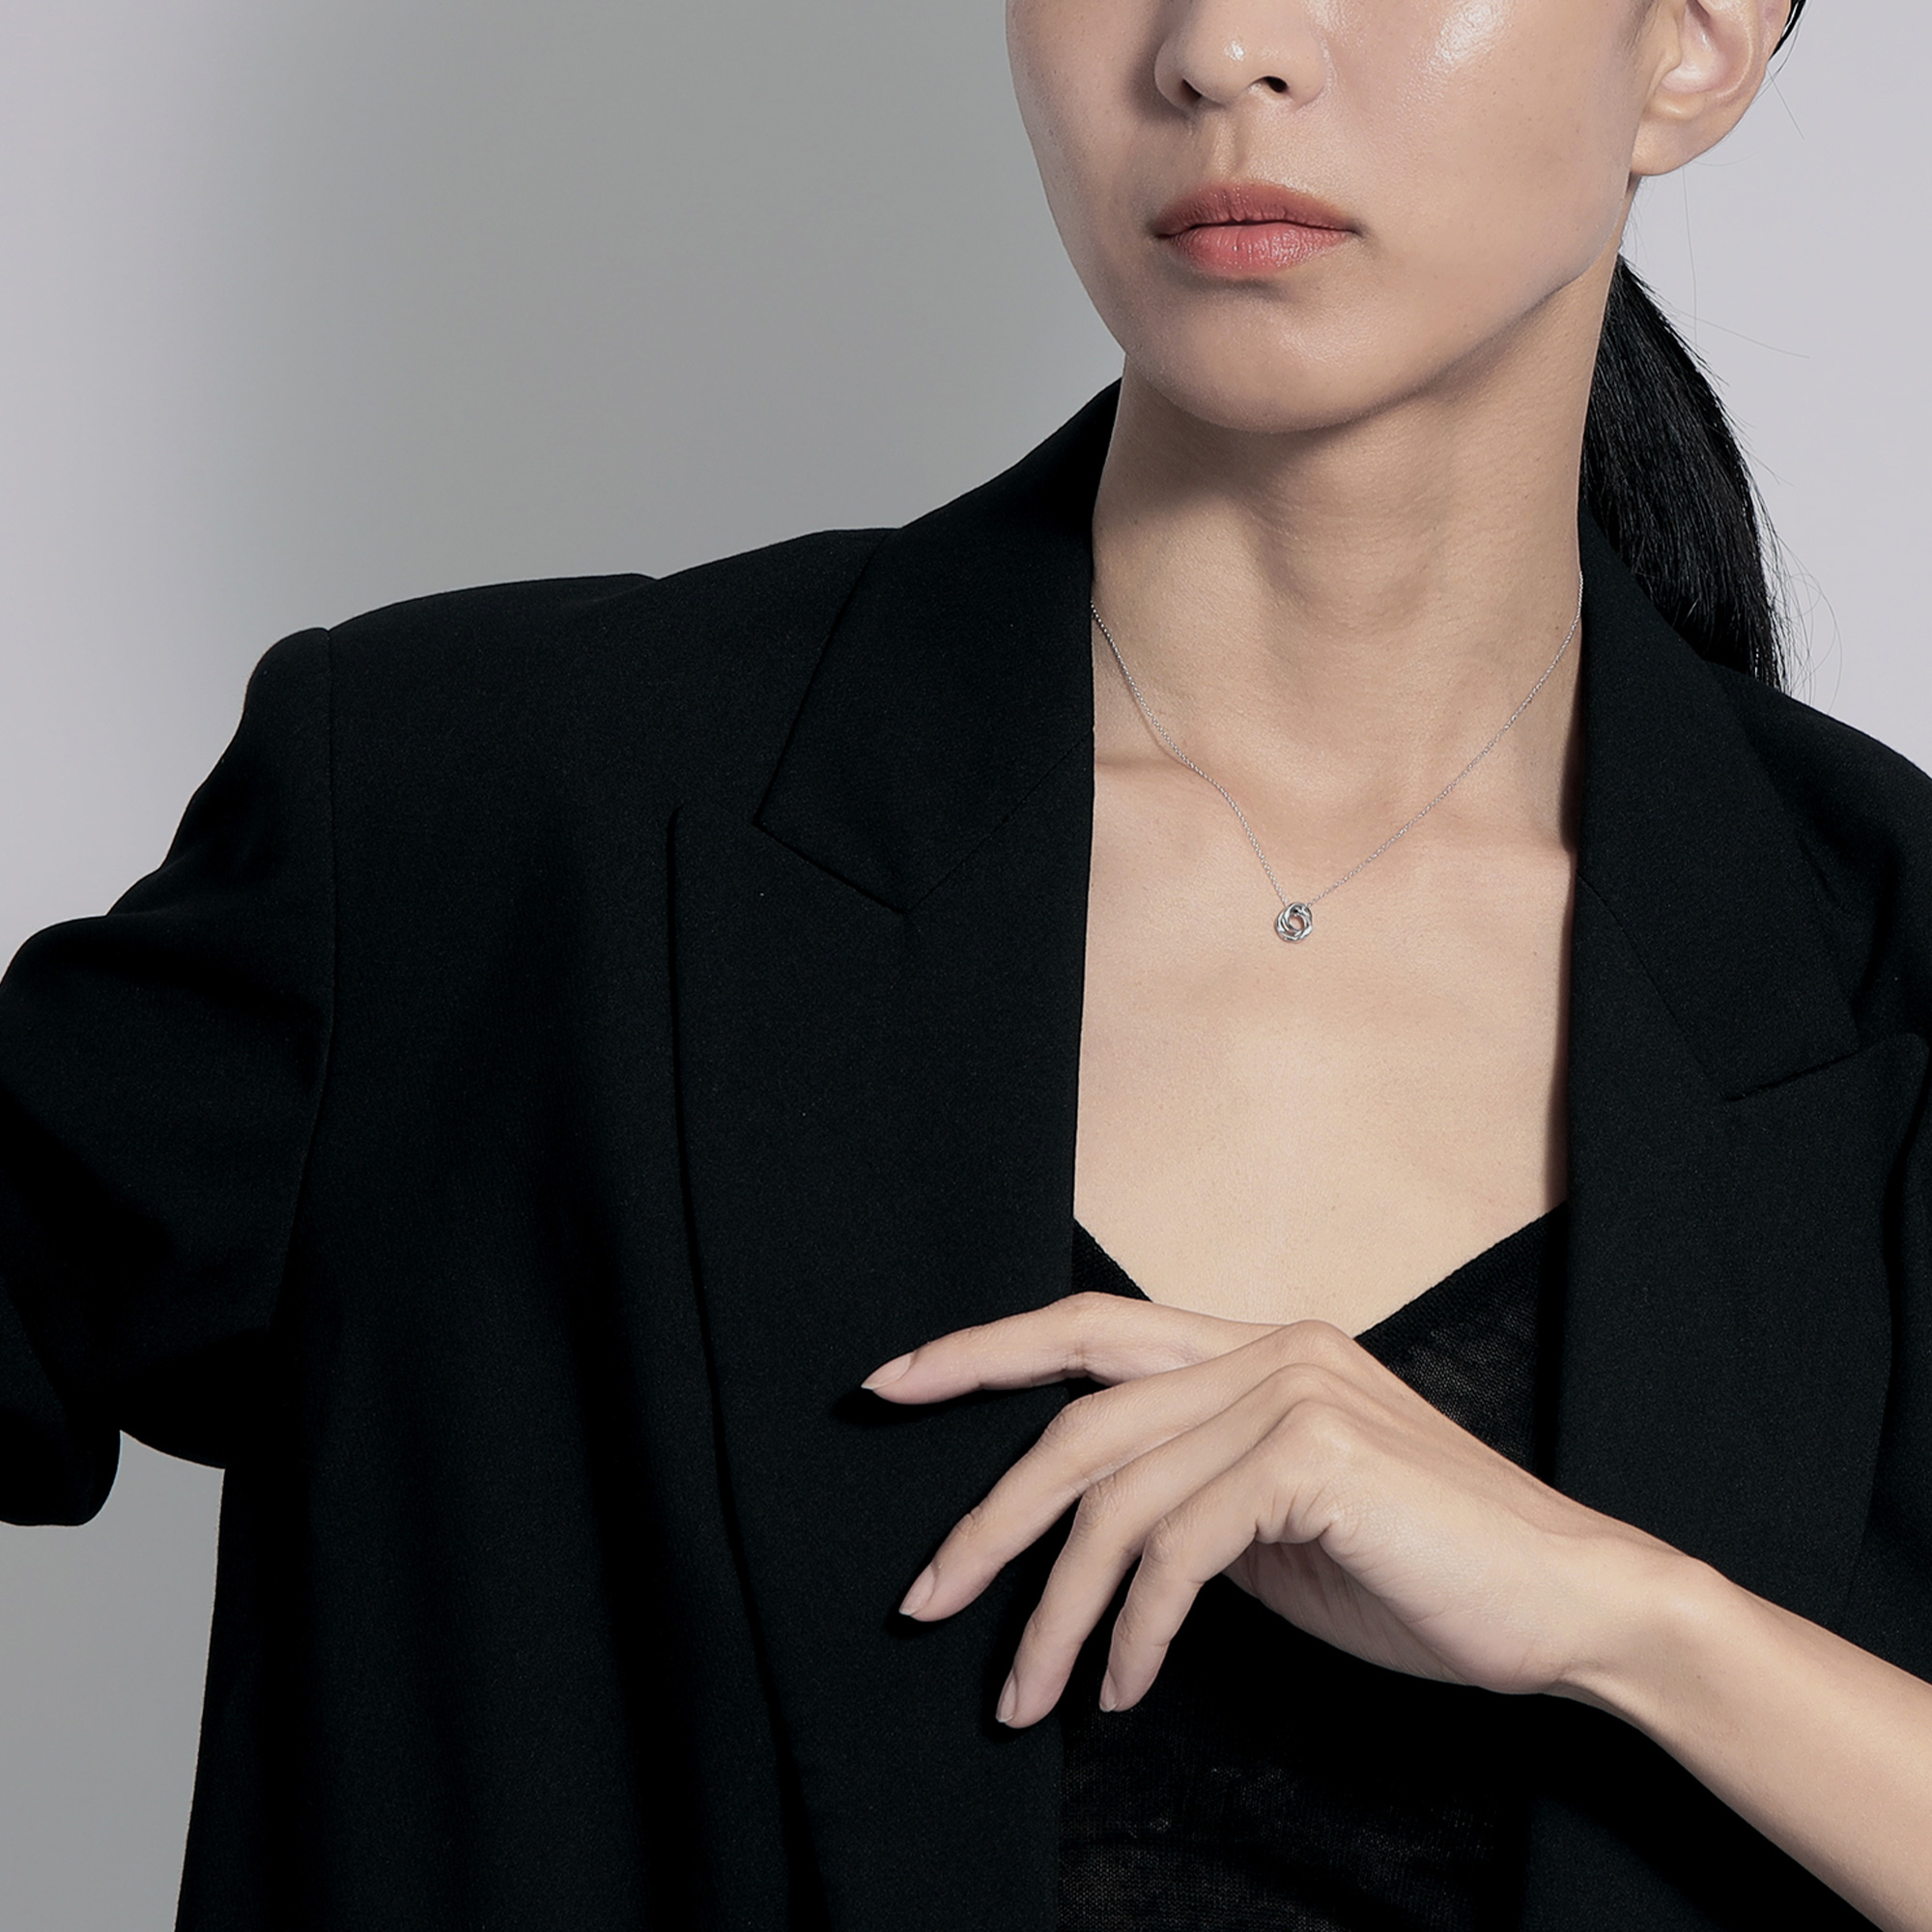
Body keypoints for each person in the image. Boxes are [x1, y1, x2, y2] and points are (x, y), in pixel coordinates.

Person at [2, 0, 1928, 1926]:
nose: (1221, 46)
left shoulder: (1890, 971)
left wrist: (1637, 1623)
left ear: (1692, 43)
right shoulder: (478, 822)